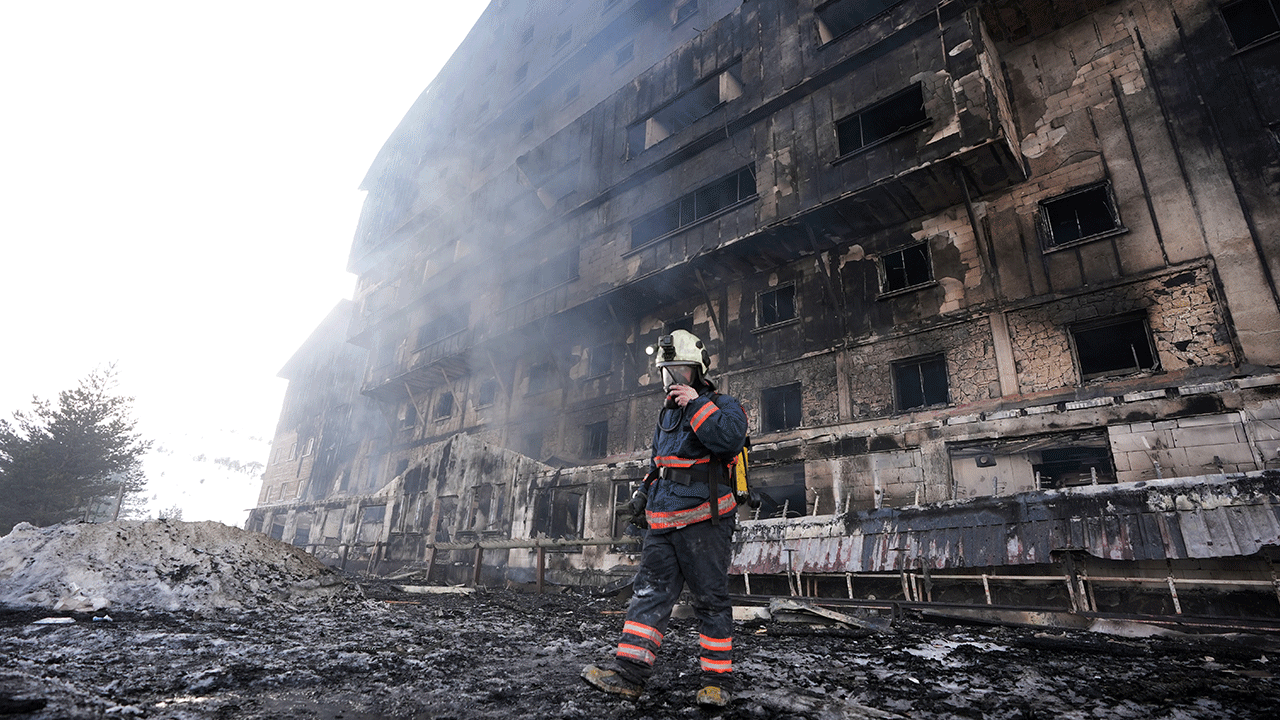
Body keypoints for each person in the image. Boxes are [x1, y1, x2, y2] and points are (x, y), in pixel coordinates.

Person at [582, 330, 748, 708]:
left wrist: (696, 404)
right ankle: (628, 676)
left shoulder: (723, 405)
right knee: (648, 595)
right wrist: (642, 495)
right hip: (663, 522)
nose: (672, 380)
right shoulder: (667, 415)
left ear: (697, 371)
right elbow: (659, 463)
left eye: (679, 371)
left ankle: (716, 683)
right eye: (666, 372)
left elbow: (728, 441)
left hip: (705, 521)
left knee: (710, 600)